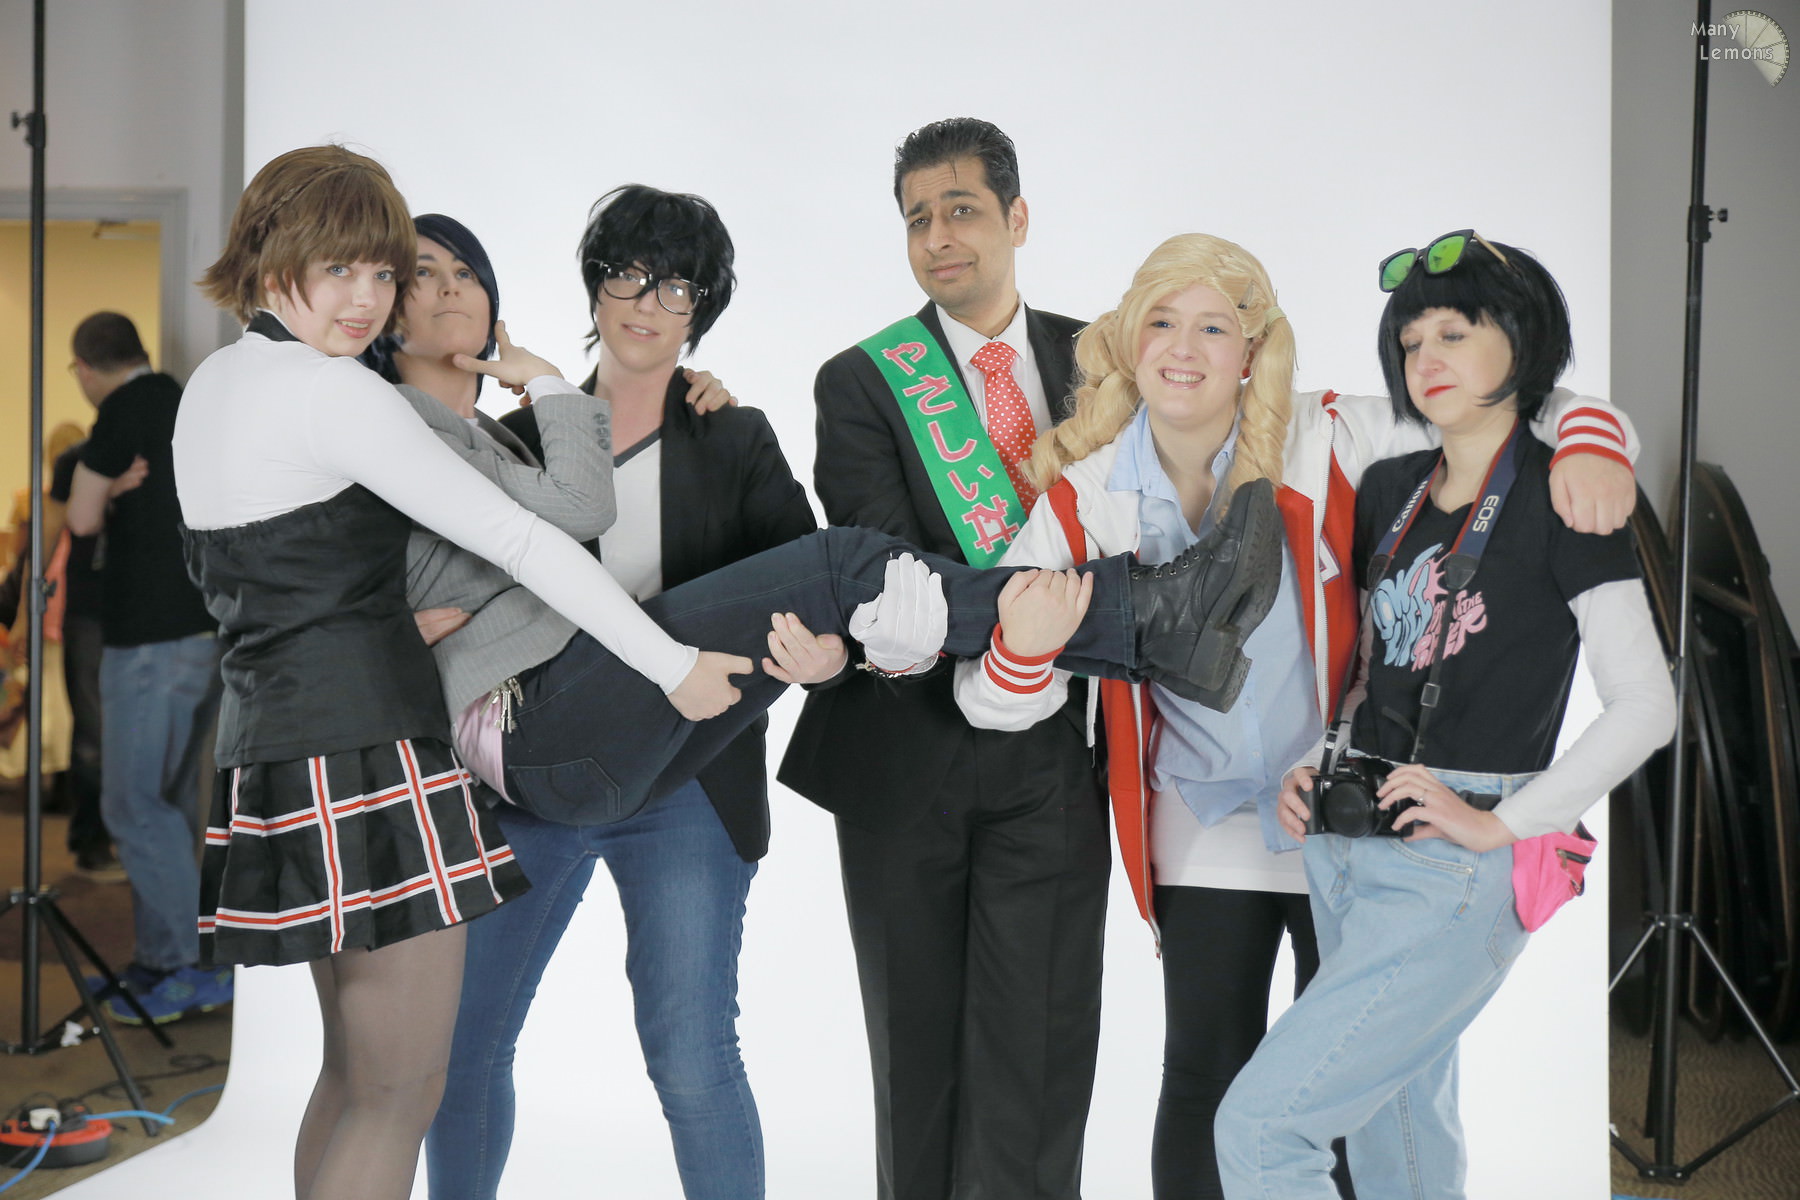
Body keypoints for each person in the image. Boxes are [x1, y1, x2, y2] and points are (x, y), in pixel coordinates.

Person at [174, 144, 1280, 1200]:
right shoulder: (419, 413)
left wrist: (828, 654)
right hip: (520, 749)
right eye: (366, 273)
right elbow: (531, 538)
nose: (375, 295)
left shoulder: (263, 394)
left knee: (564, 1062)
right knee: (418, 1077)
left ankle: (1144, 619)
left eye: (388, 272)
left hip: (636, 773)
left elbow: (290, 577)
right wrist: (660, 659)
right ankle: (1146, 616)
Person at [951, 233, 1643, 1199]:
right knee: (1207, 1077)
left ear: (1252, 349)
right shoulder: (1089, 497)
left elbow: (1502, 402)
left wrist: (1598, 438)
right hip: (1203, 821)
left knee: (1369, 1098)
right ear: (1128, 340)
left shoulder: (1326, 437)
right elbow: (985, 697)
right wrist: (1024, 652)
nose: (1182, 347)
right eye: (1160, 321)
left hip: (1351, 816)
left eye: (1213, 326)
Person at [361, 196, 814, 1199]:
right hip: (531, 780)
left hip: (688, 786)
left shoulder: (731, 435)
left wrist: (812, 662)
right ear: (595, 289)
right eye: (628, 278)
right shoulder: (519, 439)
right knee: (465, 1048)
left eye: (677, 288)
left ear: (701, 310)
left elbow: (798, 587)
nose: (648, 304)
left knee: (693, 1058)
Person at [1211, 233, 1675, 1198]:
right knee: (1402, 1139)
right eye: (1412, 339)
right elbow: (1378, 663)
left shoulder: (1565, 491)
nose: (1427, 358)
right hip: (1350, 838)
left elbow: (1647, 706)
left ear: (1521, 340)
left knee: (1263, 1130)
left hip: (1456, 863)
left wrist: (1506, 823)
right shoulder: (1392, 485)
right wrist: (1318, 759)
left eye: (1455, 334)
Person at [778, 116, 1120, 1200]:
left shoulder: (1104, 362)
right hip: (904, 751)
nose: (938, 237)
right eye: (918, 218)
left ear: (1017, 218)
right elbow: (888, 571)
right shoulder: (862, 381)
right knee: (916, 1064)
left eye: (962, 210)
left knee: (1040, 1060)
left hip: (1053, 757)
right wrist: (1047, 613)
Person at [62, 310, 228, 1023]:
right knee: (167, 804)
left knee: (132, 805)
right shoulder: (183, 400)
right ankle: (162, 961)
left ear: (84, 368)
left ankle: (192, 965)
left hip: (149, 639)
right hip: (203, 629)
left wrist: (107, 491)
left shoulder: (123, 411)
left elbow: (78, 519)